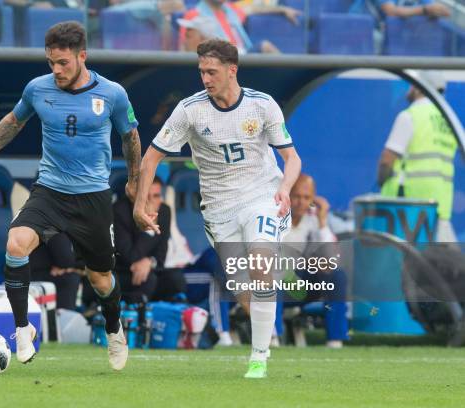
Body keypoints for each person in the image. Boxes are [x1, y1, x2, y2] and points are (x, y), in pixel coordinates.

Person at [0, 21, 141, 369]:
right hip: (50, 190)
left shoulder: (112, 93)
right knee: (15, 244)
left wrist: (133, 181)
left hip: (93, 197)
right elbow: (13, 121)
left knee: (100, 280)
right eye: (51, 62)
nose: (56, 69)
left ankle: (114, 330)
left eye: (63, 63)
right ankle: (22, 330)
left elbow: (130, 138)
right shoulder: (38, 89)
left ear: (82, 56)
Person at [133, 39, 301, 378]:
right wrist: (139, 203)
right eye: (201, 72)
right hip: (219, 209)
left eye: (211, 72)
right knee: (242, 290)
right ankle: (263, 338)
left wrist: (285, 188)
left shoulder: (262, 105)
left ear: (231, 70)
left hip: (262, 197)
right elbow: (151, 158)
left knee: (260, 261)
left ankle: (259, 356)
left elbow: (292, 158)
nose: (205, 79)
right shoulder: (190, 110)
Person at [377, 70, 458, 242]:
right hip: (440, 205)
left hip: (408, 207)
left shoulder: (411, 116)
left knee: (407, 262)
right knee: (444, 264)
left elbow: (387, 159)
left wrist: (381, 181)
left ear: (419, 88)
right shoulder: (448, 120)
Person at [279, 174, 348, 348]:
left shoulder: (313, 217)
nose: (301, 202)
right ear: (287, 194)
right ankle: (272, 337)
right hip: (275, 281)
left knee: (336, 275)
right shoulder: (274, 215)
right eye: (296, 196)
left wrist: (323, 221)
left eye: (306, 197)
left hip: (300, 285)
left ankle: (335, 340)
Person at [113, 176, 185, 303]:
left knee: (176, 278)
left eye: (156, 196)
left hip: (151, 268)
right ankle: (138, 317)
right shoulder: (120, 211)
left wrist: (149, 262)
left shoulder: (164, 211)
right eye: (147, 196)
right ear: (138, 196)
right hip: (124, 271)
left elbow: (161, 254)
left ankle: (166, 313)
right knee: (148, 279)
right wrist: (149, 225)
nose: (151, 201)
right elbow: (130, 256)